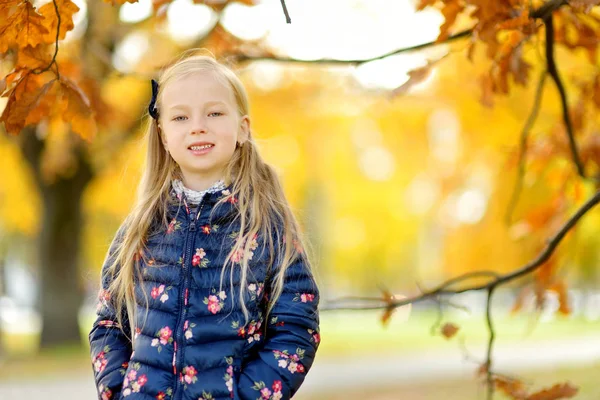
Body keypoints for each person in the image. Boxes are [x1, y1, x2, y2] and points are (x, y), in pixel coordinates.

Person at [88, 50, 321, 400]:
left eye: (214, 113)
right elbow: (109, 322)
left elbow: (297, 326)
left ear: (242, 129)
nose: (198, 125)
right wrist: (118, 391)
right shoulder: (141, 227)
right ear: (164, 135)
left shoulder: (265, 227)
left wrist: (247, 396)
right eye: (180, 117)